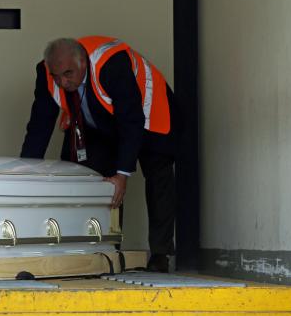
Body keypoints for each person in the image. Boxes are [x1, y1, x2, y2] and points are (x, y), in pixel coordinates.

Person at [20, 37, 177, 273]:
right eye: (56, 76)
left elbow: (131, 119)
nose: (62, 82)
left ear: (83, 62)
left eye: (68, 73)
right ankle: (104, 251)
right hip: (101, 123)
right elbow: (39, 125)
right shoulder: (46, 73)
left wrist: (122, 174)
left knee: (158, 180)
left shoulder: (111, 64)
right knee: (89, 178)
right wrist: (26, 172)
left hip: (149, 117)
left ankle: (160, 254)